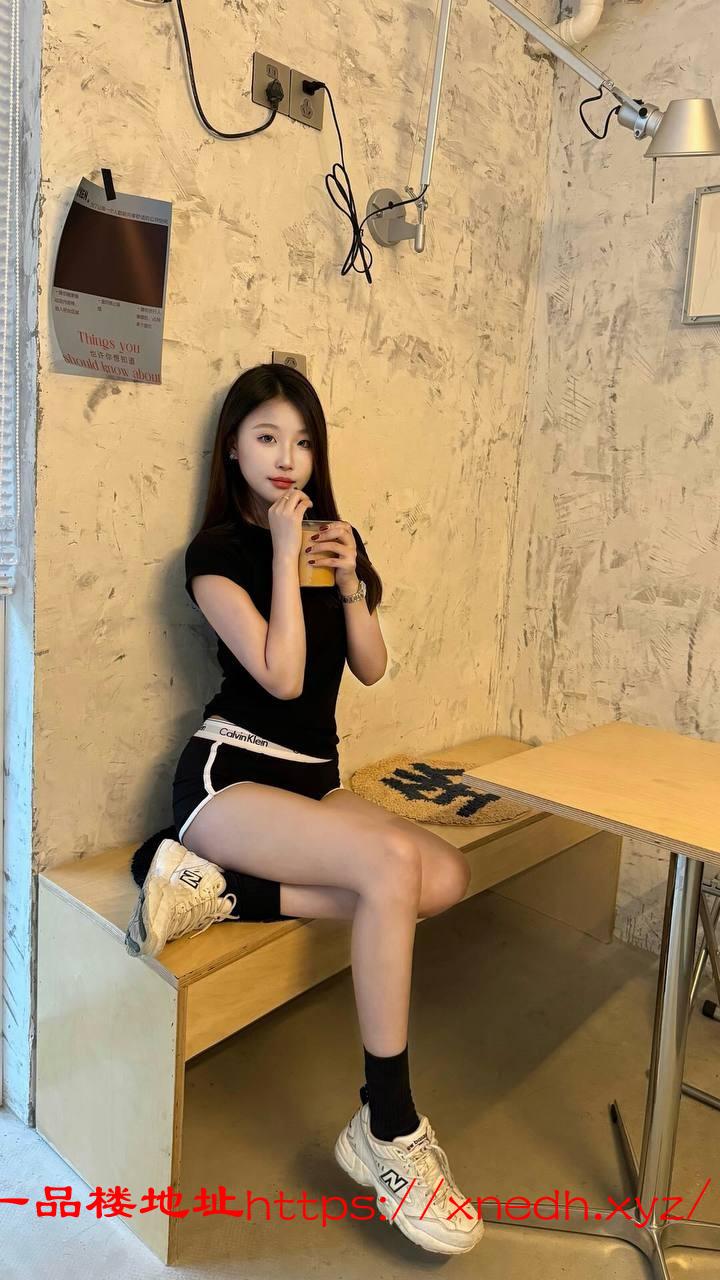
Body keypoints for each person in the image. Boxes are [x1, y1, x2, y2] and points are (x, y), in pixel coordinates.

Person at [123, 363, 483, 1255]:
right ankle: (387, 1125)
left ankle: (224, 894)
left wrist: (351, 578)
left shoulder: (329, 540)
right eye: (267, 438)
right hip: (230, 779)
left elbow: (370, 668)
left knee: (443, 875)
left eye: (303, 441)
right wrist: (284, 555)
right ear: (233, 449)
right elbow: (281, 677)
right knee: (389, 870)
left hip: (315, 783)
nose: (287, 458)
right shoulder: (215, 555)